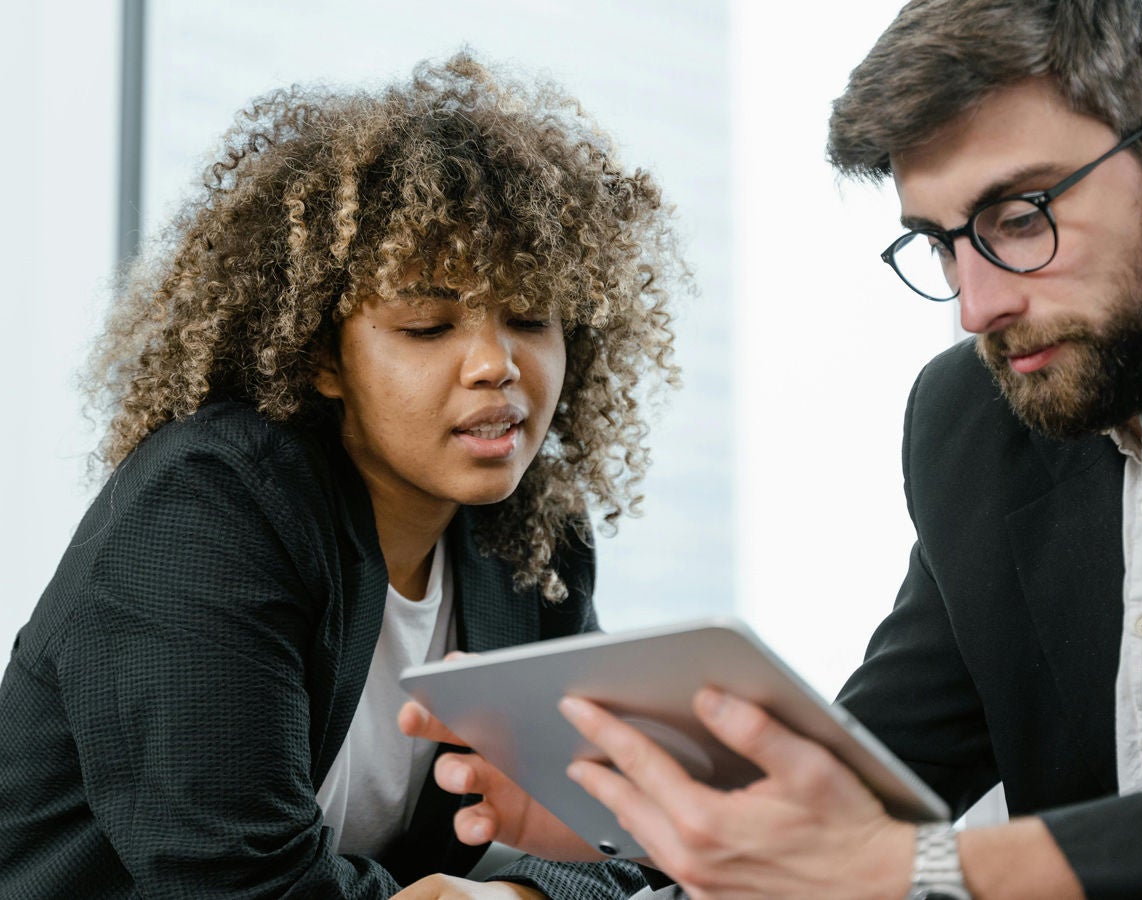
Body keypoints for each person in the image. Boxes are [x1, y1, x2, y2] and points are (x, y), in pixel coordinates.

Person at [403, 2, 1142, 897]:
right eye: (941, 244)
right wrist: (641, 822)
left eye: (1021, 218)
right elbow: (868, 788)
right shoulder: (974, 423)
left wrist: (927, 870)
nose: (976, 309)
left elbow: (885, 861)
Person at [0, 54, 684, 899]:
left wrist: (525, 894)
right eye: (428, 326)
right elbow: (230, 882)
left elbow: (639, 837)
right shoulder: (207, 505)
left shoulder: (533, 536)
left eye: (531, 318)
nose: (496, 365)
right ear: (322, 356)